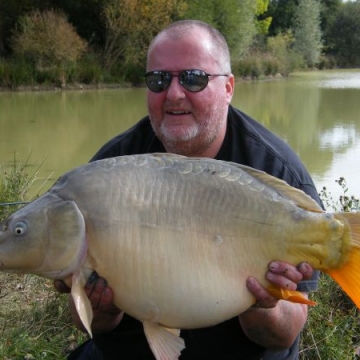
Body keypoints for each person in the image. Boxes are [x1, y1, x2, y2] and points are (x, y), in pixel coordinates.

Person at [56, 20, 320, 360]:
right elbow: (85, 321)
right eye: (159, 79)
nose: (174, 93)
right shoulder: (110, 168)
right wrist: (102, 309)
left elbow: (284, 333)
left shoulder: (278, 173)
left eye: (194, 78)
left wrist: (262, 303)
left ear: (228, 88)